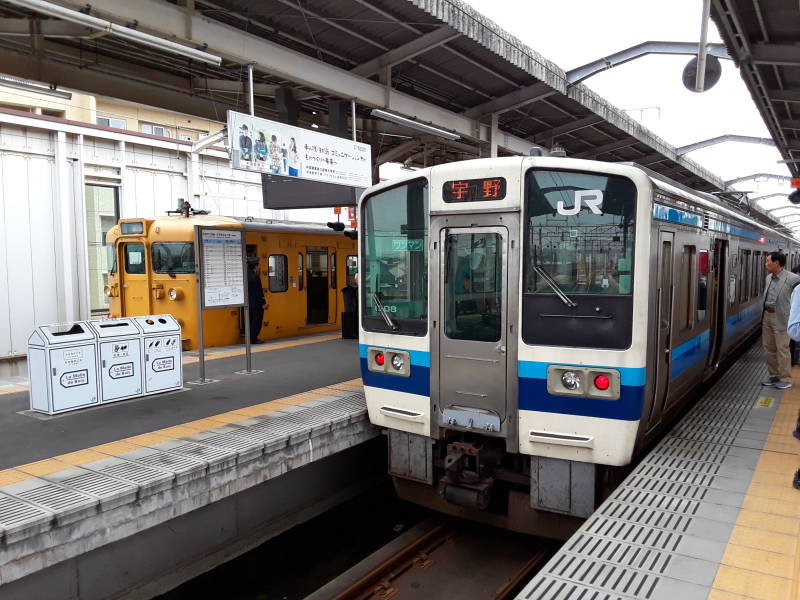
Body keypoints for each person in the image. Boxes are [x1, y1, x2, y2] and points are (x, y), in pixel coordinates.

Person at [762, 251, 800, 389]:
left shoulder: (792, 278)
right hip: (767, 315)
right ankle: (773, 375)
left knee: (782, 348)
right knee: (769, 347)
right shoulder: (768, 278)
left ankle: (785, 378)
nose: (765, 264)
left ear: (777, 263)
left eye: (768, 261)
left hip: (782, 317)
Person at [247, 257, 266, 344]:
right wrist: (263, 303)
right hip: (257, 303)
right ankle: (254, 339)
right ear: (255, 266)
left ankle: (250, 338)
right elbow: (258, 291)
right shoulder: (255, 277)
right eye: (258, 265)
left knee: (251, 320)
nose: (259, 267)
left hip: (250, 303)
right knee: (257, 321)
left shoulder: (247, 276)